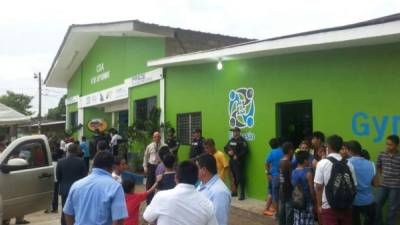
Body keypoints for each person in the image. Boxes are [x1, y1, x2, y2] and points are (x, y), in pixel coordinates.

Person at [143, 161, 218, 225]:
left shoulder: (161, 196)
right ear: (197, 179)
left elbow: (147, 217)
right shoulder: (207, 204)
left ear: (176, 178)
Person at [63, 151, 128, 225]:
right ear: (113, 167)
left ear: (93, 165)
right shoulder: (115, 187)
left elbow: (68, 212)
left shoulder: (76, 185)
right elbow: (119, 219)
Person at [314, 135, 357, 225]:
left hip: (328, 206)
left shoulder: (322, 163)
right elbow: (354, 185)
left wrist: (319, 205)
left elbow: (318, 187)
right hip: (346, 206)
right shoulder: (349, 164)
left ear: (328, 146)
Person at [347, 141, 377, 225]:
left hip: (353, 202)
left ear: (349, 150)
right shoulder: (371, 164)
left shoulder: (346, 163)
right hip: (369, 201)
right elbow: (376, 184)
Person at [57, 144, 87, 225]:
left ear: (67, 151)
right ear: (76, 151)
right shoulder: (81, 161)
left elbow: (58, 177)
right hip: (78, 190)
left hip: (65, 190)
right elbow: (85, 177)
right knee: (78, 209)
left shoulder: (60, 162)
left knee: (65, 210)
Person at [197, 154, 231, 225]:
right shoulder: (201, 184)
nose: (194, 171)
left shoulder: (220, 192)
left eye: (196, 168)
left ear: (204, 170)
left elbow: (219, 221)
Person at [376, 135, 400, 225]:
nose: (388, 146)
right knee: (377, 204)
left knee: (392, 208)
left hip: (396, 186)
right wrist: (382, 175)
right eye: (387, 144)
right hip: (384, 184)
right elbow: (378, 166)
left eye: (391, 145)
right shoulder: (382, 154)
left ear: (397, 145)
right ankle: (378, 223)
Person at [291, 151, 316, 225]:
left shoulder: (293, 172)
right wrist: (315, 202)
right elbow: (311, 190)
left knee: (297, 221)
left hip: (296, 201)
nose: (309, 161)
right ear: (305, 161)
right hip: (307, 203)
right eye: (308, 159)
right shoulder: (308, 173)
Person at [224, 127, 249, 200]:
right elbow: (225, 148)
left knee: (240, 177)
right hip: (232, 161)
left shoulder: (242, 140)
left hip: (239, 162)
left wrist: (237, 156)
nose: (234, 133)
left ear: (238, 132)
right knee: (234, 177)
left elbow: (245, 151)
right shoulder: (231, 140)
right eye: (233, 131)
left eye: (235, 131)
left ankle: (242, 194)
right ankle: (235, 192)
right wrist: (228, 152)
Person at [143, 131, 165, 204]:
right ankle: (149, 201)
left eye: (158, 136)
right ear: (153, 138)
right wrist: (145, 166)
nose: (157, 138)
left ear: (160, 137)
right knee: (149, 184)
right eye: (155, 137)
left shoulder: (164, 146)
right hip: (151, 166)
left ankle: (160, 202)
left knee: (161, 183)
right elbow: (146, 157)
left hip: (160, 166)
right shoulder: (149, 146)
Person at [264, 138, 283, 216]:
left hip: (272, 176)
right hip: (280, 176)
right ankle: (276, 212)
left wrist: (267, 173)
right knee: (277, 195)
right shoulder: (282, 151)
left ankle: (274, 212)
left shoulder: (272, 153)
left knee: (273, 194)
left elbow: (266, 163)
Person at [278, 142, 294, 225]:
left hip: (281, 190)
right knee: (289, 214)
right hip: (288, 191)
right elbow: (292, 180)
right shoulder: (289, 163)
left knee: (281, 213)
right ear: (290, 150)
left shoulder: (280, 161)